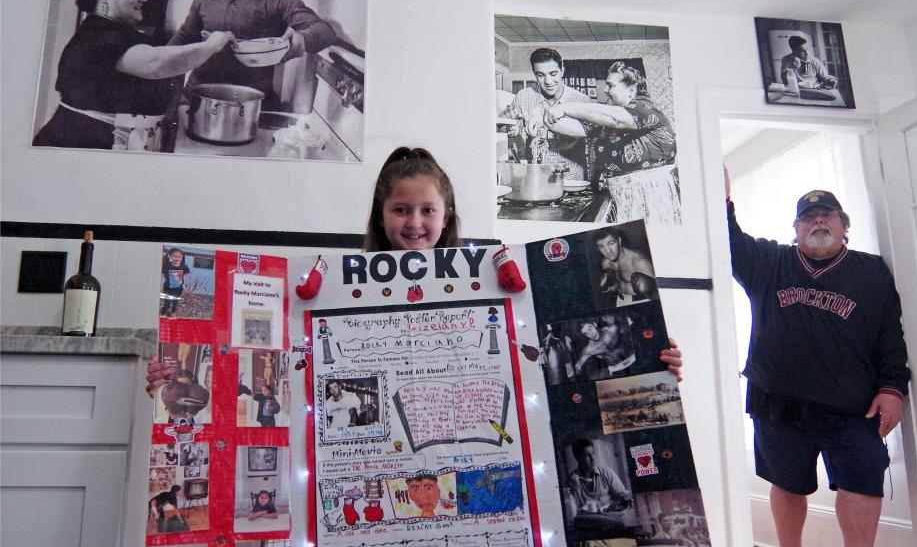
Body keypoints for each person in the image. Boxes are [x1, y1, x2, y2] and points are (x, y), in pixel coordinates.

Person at [146, 145, 684, 391]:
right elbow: (274, 356)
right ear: (382, 216)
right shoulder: (331, 289)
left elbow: (546, 358)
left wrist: (652, 363)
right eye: (401, 209)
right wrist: (179, 374)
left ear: (447, 215)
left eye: (428, 210)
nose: (415, 222)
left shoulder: (497, 281)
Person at [725, 171, 913, 547]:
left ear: (844, 224)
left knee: (863, 479)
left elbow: (891, 335)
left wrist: (893, 388)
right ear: (796, 228)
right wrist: (722, 199)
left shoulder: (869, 272)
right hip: (779, 401)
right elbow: (725, 241)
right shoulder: (769, 262)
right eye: (808, 218)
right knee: (787, 482)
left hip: (854, 406)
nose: (818, 223)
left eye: (827, 215)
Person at [33, 0, 235, 151]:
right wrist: (210, 46)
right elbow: (155, 64)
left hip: (109, 140)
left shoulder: (113, 31)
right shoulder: (99, 34)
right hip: (85, 142)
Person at [168, 0, 337, 110]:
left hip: (252, 102)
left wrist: (301, 39)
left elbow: (325, 32)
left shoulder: (278, 0)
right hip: (199, 97)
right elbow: (181, 41)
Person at [544, 61, 681, 224]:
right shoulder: (612, 116)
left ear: (631, 90)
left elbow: (615, 118)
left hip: (650, 194)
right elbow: (577, 129)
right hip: (624, 193)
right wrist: (543, 119)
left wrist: (565, 108)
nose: (605, 90)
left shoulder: (644, 108)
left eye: (610, 85)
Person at [499, 47, 591, 176]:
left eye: (553, 74)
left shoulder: (581, 101)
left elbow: (589, 134)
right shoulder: (523, 96)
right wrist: (506, 125)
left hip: (572, 179)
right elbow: (505, 129)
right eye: (540, 75)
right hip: (536, 178)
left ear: (562, 71)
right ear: (534, 73)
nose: (548, 81)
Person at [566, 438, 632, 531]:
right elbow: (573, 512)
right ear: (577, 458)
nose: (592, 459)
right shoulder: (572, 480)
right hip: (587, 525)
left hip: (611, 519)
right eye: (586, 456)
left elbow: (622, 495)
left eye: (593, 453)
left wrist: (625, 496)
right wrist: (574, 489)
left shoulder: (607, 472)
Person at [595, 229, 657, 304]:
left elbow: (660, 293)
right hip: (620, 300)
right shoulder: (605, 263)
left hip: (642, 301)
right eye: (601, 247)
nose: (608, 251)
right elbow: (614, 288)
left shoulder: (639, 261)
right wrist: (607, 286)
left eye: (611, 243)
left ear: (619, 241)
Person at [160, 248, 190, 316]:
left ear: (182, 257)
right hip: (168, 288)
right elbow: (163, 272)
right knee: (167, 304)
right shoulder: (167, 265)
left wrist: (184, 283)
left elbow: (187, 272)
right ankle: (163, 314)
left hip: (178, 288)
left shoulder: (183, 266)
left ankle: (172, 314)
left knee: (175, 304)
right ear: (170, 257)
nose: (177, 258)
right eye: (175, 256)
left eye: (179, 257)